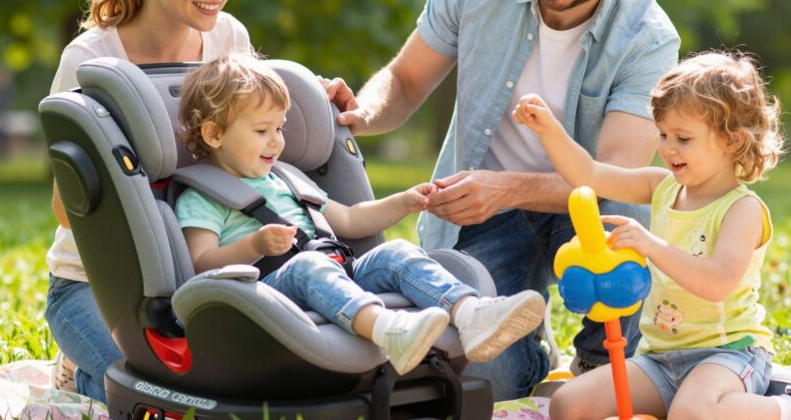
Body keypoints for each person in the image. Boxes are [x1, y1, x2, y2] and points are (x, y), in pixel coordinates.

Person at [324, 0, 680, 399]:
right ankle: (536, 359)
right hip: (483, 217)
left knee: (623, 208)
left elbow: (617, 179)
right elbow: (405, 80)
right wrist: (362, 112)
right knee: (484, 378)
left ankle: (598, 366)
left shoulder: (647, 37)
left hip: (584, 213)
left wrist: (508, 189)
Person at [514, 51, 791, 420]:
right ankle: (697, 401)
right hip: (661, 358)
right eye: (664, 134)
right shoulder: (661, 188)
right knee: (568, 406)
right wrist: (549, 130)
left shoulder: (742, 209)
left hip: (727, 354)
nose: (668, 148)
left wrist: (652, 246)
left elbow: (717, 283)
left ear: (732, 142)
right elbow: (590, 174)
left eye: (683, 138)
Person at [175, 53, 546, 375]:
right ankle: (389, 330)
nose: (276, 141)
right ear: (213, 134)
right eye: (261, 130)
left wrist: (400, 202)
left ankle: (471, 315)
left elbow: (350, 220)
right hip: (266, 295)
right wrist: (254, 245)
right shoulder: (203, 198)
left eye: (279, 128)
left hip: (335, 270)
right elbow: (200, 265)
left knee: (396, 253)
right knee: (309, 266)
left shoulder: (287, 180)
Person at [46, 0, 252, 401]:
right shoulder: (90, 58)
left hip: (199, 272)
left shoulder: (230, 40)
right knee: (162, 395)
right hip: (97, 287)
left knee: (232, 388)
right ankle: (77, 368)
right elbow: (66, 209)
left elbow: (260, 140)